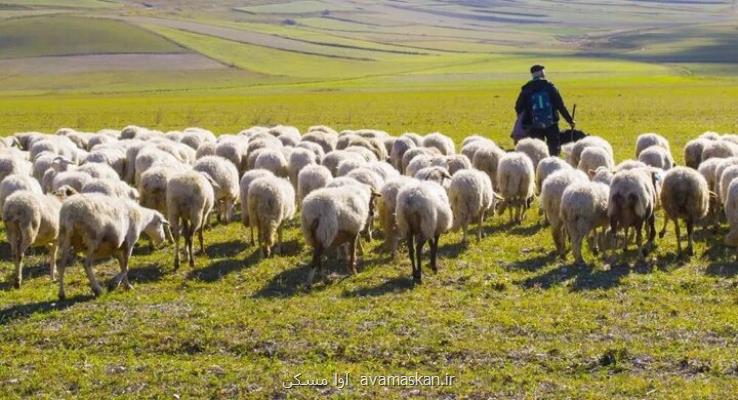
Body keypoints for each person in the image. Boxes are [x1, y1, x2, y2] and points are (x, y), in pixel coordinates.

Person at [515, 64, 575, 156]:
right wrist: (570, 120)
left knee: (537, 150)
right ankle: (554, 165)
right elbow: (560, 106)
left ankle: (540, 166)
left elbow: (518, 107)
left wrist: (526, 121)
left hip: (534, 125)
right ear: (541, 73)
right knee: (553, 147)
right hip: (551, 123)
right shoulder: (550, 87)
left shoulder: (526, 89)